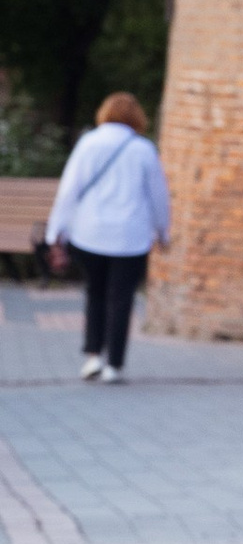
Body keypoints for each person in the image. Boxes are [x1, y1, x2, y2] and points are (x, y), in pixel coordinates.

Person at [46, 93, 172, 386]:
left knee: (95, 293)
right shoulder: (143, 149)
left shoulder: (88, 143)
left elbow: (69, 189)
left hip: (89, 233)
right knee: (121, 299)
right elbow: (158, 197)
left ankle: (92, 357)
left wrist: (56, 233)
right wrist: (163, 232)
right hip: (131, 237)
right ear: (137, 117)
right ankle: (114, 364)